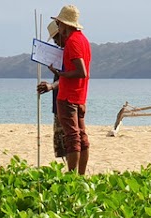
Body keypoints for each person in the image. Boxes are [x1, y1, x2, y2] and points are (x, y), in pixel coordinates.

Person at [47, 5, 90, 174]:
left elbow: (81, 72)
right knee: (81, 137)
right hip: (79, 96)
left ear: (65, 24)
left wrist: (60, 73)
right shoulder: (83, 39)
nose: (59, 27)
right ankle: (80, 175)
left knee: (73, 139)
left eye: (59, 24)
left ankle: (72, 177)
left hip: (68, 97)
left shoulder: (72, 41)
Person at [36, 20, 66, 164]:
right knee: (60, 141)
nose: (56, 42)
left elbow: (68, 79)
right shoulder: (62, 53)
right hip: (58, 102)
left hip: (66, 102)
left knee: (67, 140)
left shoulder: (69, 52)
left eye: (56, 38)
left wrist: (51, 86)